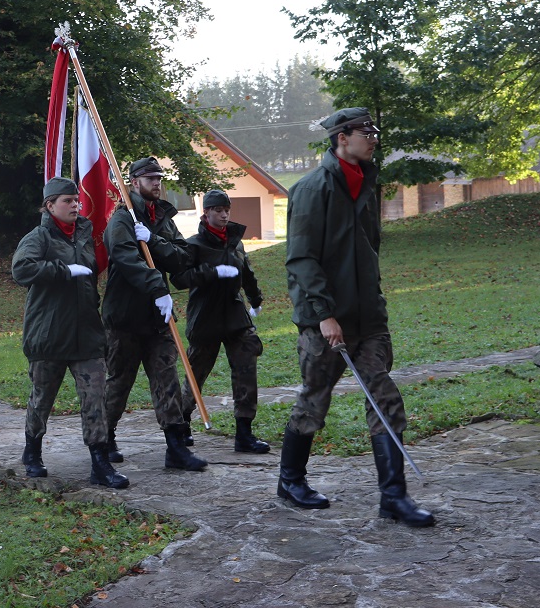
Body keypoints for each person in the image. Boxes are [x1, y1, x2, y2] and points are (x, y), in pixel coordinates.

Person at [277, 107, 434, 527]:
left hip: (368, 318)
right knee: (314, 400)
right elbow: (302, 258)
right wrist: (324, 314)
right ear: (342, 137)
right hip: (325, 320)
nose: (374, 138)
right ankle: (290, 481)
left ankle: (394, 497)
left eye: (375, 131)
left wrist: (374, 304)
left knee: (385, 399)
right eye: (367, 132)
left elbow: (369, 250)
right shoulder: (312, 188)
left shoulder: (366, 183)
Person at [11, 177, 129, 489]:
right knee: (42, 399)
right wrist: (63, 271)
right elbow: (21, 270)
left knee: (95, 400)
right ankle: (32, 451)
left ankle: (100, 463)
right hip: (49, 335)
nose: (75, 205)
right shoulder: (38, 237)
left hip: (87, 334)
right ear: (50, 206)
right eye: (67, 200)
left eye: (76, 200)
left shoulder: (85, 235)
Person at [101, 156, 205, 472]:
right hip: (125, 317)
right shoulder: (122, 219)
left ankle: (176, 447)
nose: (157, 184)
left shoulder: (162, 218)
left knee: (166, 379)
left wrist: (154, 240)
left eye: (159, 178)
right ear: (134, 183)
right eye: (150, 179)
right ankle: (104, 437)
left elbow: (182, 257)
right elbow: (126, 259)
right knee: (119, 382)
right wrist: (157, 286)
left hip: (158, 318)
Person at [170, 189, 270, 453]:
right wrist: (210, 272)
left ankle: (244, 432)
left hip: (235, 315)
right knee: (196, 373)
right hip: (206, 316)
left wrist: (255, 300)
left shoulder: (235, 242)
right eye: (218, 210)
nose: (224, 215)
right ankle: (182, 423)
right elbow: (179, 278)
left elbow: (246, 272)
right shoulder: (194, 245)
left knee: (246, 368)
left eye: (227, 210)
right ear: (206, 213)